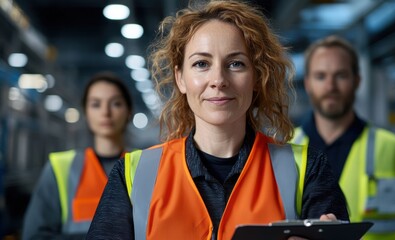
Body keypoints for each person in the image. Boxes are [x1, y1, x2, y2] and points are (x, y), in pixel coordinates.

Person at [86, 1, 349, 240]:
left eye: (236, 64)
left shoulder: (308, 170)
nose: (218, 80)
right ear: (180, 78)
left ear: (256, 77)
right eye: (201, 64)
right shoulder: (133, 175)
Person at [290, 35, 395, 240]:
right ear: (308, 83)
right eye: (321, 76)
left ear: (357, 81)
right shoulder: (282, 151)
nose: (331, 86)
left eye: (341, 76)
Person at [22, 72, 133, 239]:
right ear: (86, 112)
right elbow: (34, 236)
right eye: (96, 104)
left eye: (116, 103)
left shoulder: (144, 167)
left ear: (128, 111)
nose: (105, 112)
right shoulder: (60, 168)